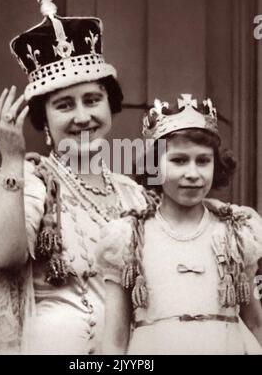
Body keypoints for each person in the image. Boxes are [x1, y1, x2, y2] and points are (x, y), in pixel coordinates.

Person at [0, 0, 146, 355]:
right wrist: (12, 160)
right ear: (43, 120)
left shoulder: (132, 192)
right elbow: (2, 257)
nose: (83, 117)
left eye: (93, 100)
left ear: (110, 105)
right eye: (64, 105)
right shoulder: (30, 181)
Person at [98, 94, 262, 355]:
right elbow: (114, 341)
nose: (193, 174)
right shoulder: (128, 237)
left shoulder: (236, 231)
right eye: (178, 160)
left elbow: (255, 324)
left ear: (215, 165)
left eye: (203, 161)